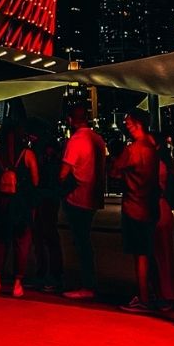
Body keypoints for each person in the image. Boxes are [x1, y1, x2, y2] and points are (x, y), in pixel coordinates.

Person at [110, 109, 160, 314]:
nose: (126, 125)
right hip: (150, 205)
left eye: (128, 122)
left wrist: (123, 176)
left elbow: (114, 171)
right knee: (149, 251)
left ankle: (143, 297)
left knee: (140, 254)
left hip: (134, 205)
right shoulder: (152, 147)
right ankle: (155, 292)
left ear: (137, 123)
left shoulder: (134, 150)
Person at [59, 102, 106, 299]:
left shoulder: (75, 141)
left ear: (70, 120)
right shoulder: (98, 139)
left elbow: (63, 173)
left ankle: (87, 284)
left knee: (81, 242)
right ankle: (89, 282)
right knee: (85, 240)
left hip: (77, 197)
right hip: (93, 196)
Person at [0, 122, 39, 297]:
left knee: (2, 240)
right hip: (21, 203)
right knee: (22, 242)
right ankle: (17, 282)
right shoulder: (28, 155)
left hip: (3, 202)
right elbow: (35, 181)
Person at [31, 131, 64, 293]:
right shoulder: (53, 162)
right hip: (48, 199)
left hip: (46, 199)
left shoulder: (49, 163)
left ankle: (49, 274)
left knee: (46, 236)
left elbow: (46, 183)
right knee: (46, 237)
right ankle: (49, 273)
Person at [151, 133, 174, 306]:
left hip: (157, 209)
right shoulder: (164, 164)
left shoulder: (156, 165)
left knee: (159, 253)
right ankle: (165, 293)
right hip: (163, 208)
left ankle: (163, 294)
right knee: (164, 253)